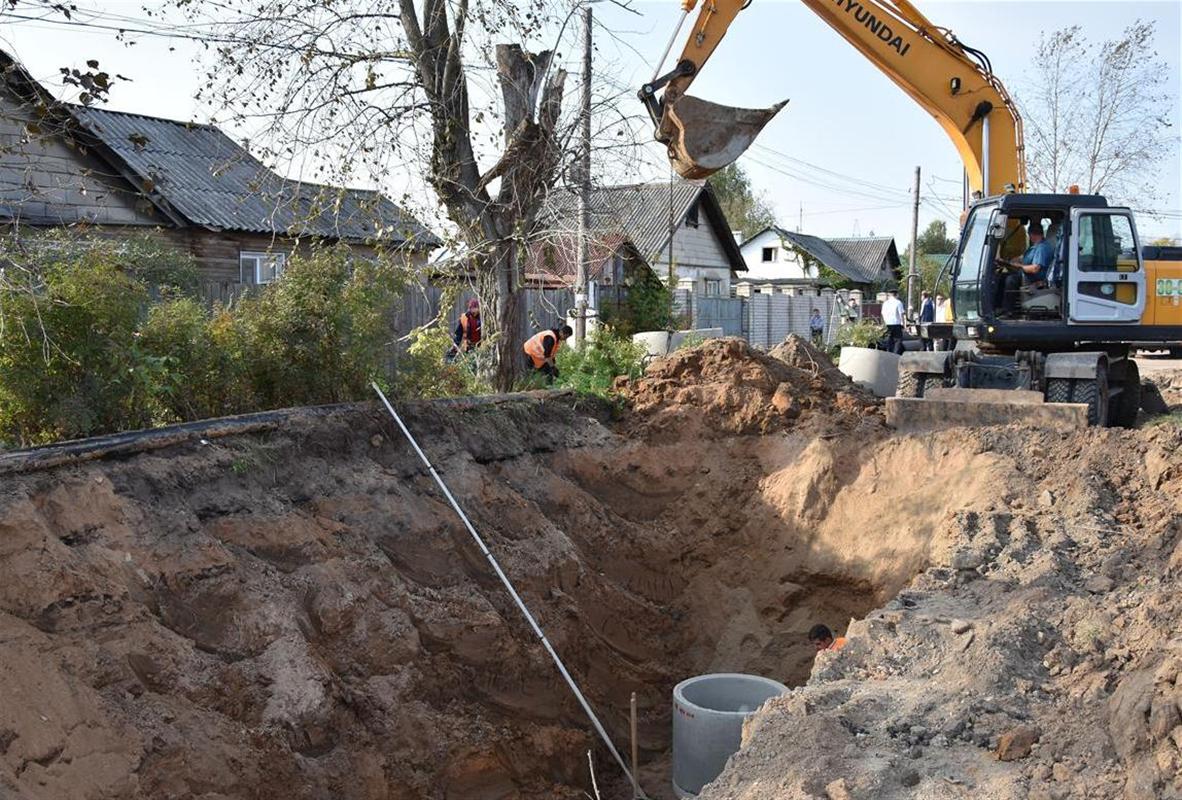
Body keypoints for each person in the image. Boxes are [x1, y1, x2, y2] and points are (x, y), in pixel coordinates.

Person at [997, 221, 1055, 316]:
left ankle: (1008, 310)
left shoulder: (1042, 248)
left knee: (1010, 280)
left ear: (1031, 234)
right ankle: (999, 307)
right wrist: (1007, 262)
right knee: (1001, 276)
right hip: (1025, 274)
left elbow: (1035, 268)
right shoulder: (1034, 246)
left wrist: (1019, 266)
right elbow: (1022, 258)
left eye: (1030, 234)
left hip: (1034, 278)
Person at [880, 289, 905, 354]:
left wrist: (884, 323)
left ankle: (889, 353)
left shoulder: (885, 303)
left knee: (889, 340)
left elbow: (882, 313)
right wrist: (904, 324)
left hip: (887, 324)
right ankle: (896, 354)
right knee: (898, 340)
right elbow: (901, 314)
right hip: (896, 324)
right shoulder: (898, 302)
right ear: (896, 294)